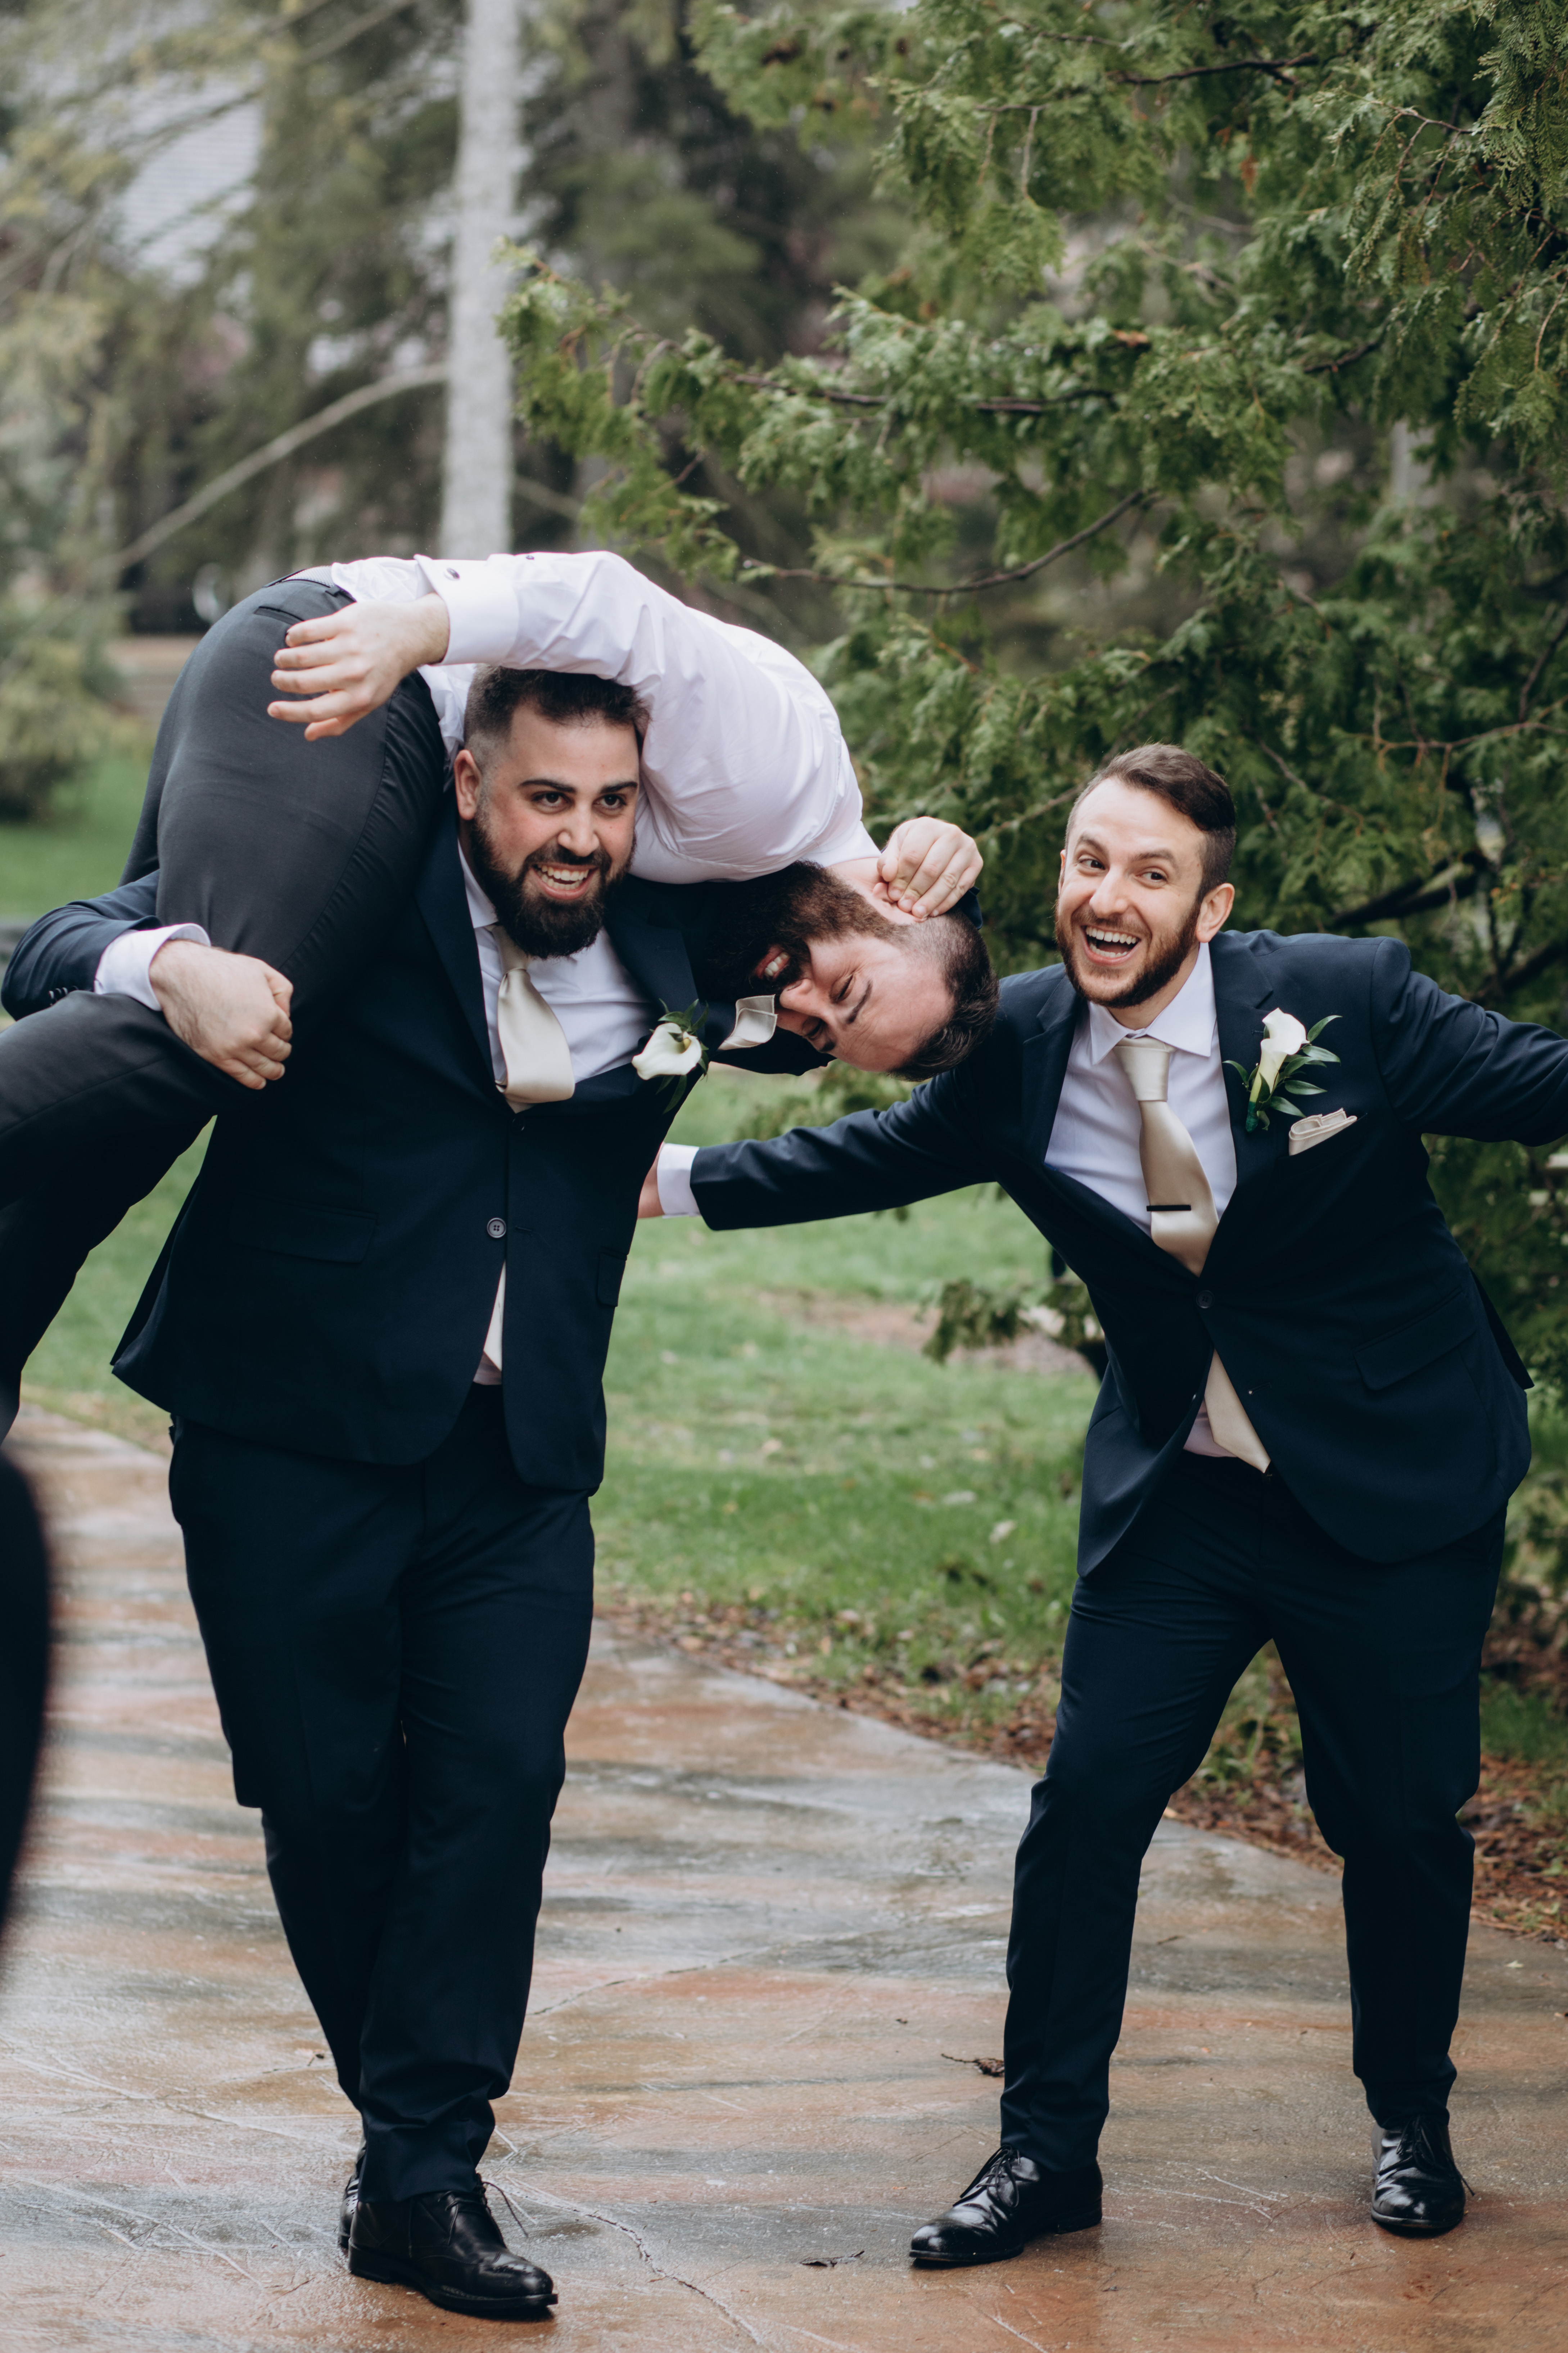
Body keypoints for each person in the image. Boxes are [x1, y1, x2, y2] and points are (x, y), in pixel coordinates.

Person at [2, 639, 995, 2321]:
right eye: (546, 797)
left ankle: (424, 2173)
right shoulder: (343, 888)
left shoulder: (691, 942)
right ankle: (407, 2136)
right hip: (281, 1424)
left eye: (613, 804)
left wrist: (918, 854)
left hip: (518, 1459)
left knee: (498, 1790)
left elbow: (855, 962)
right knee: (322, 1800)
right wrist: (176, 967)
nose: (580, 835)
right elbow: (48, 944)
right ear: (467, 779)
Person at [641, 741, 1567, 2254]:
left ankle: (1413, 2115)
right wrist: (654, 1178)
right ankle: (1045, 2153)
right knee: (1085, 1808)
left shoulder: (1346, 999)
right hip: (1181, 1495)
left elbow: (1541, 1083)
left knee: (1400, 1823)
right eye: (1088, 861)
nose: (1108, 896)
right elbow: (867, 1150)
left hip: (1392, 1485)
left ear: (1210, 908)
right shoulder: (1013, 1040)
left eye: (1150, 872)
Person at [0, 548, 984, 1424]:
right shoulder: (777, 786)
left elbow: (904, 980)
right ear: (895, 891)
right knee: (237, 1016)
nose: (796, 1011)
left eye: (822, 1040)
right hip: (357, 661)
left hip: (390, 731)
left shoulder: (760, 928)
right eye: (844, 995)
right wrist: (418, 630)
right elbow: (616, 603)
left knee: (132, 1112)